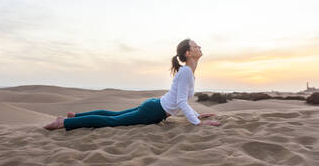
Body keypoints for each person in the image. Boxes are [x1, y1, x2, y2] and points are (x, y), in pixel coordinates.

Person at [44, 38, 221, 131]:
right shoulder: (186, 73)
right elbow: (181, 101)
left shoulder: (187, 72)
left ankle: (75, 116)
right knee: (112, 121)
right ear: (188, 53)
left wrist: (197, 115)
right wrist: (197, 123)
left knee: (114, 115)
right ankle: (65, 123)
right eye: (196, 46)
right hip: (154, 111)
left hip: (154, 107)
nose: (200, 47)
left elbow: (180, 100)